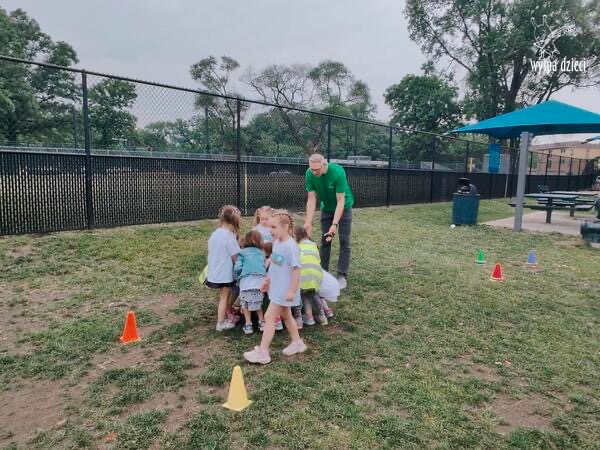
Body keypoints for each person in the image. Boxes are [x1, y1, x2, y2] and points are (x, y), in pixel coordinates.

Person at [244, 210, 307, 364]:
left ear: (285, 227)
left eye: (273, 227)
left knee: (269, 317)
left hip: (285, 290)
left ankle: (263, 352)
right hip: (278, 288)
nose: (270, 230)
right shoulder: (277, 243)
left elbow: (296, 270)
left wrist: (292, 290)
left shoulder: (291, 247)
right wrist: (267, 280)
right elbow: (277, 263)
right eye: (269, 227)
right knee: (286, 315)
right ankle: (297, 343)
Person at [303, 153, 354, 289]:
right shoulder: (309, 174)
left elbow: (340, 201)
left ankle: (342, 275)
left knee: (344, 241)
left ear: (324, 164)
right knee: (325, 240)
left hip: (344, 206)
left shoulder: (338, 172)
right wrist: (308, 222)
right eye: (312, 169)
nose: (314, 172)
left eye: (317, 169)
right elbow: (311, 199)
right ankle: (322, 272)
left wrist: (334, 224)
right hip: (326, 208)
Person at [205, 205, 241, 331]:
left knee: (224, 295)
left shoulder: (216, 234)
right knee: (224, 297)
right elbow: (235, 256)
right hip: (224, 273)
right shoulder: (229, 237)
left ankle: (226, 315)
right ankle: (220, 323)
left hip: (215, 270)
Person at [234, 230, 267, 334]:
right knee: (258, 303)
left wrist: (238, 276)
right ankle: (262, 322)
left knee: (245, 304)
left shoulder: (242, 252)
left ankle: (248, 324)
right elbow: (264, 265)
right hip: (259, 281)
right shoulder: (261, 253)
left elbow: (237, 267)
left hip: (246, 281)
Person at [293, 225, 325, 328]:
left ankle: (299, 321)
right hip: (315, 275)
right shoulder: (314, 245)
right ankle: (322, 317)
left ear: (296, 236)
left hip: (301, 275)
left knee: (298, 296)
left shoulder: (296, 246)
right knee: (313, 295)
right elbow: (318, 259)